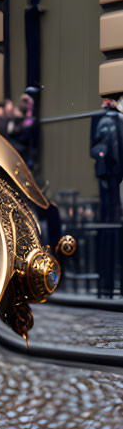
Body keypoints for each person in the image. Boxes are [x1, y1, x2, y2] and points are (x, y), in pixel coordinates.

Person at [90, 99, 123, 297]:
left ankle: (107, 287)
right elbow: (97, 148)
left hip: (113, 179)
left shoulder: (112, 120)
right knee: (109, 227)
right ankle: (106, 287)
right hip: (110, 179)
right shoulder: (106, 120)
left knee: (110, 228)